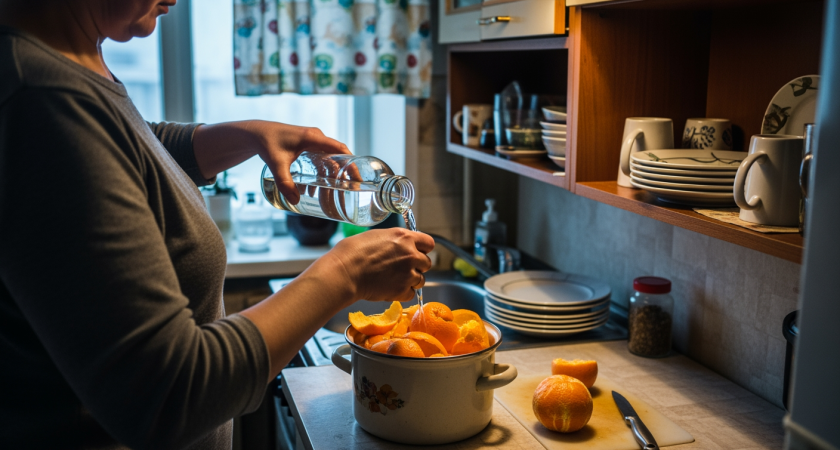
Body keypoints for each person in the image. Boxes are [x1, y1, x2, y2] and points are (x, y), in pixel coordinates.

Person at [0, 1, 434, 449]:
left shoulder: (66, 68)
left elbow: (128, 149)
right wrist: (346, 273)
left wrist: (241, 136)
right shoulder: (41, 101)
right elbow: (166, 395)